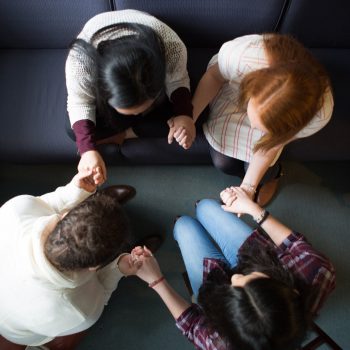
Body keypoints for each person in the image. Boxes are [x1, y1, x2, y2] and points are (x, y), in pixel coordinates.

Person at [133, 188, 335, 350]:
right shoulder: (317, 272)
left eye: (235, 287)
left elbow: (192, 326)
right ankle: (200, 211)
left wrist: (157, 281)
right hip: (259, 257)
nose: (235, 276)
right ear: (291, 292)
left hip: (214, 291)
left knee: (185, 227)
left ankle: (184, 224)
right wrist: (254, 209)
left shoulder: (221, 345)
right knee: (207, 207)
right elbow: (293, 244)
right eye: (255, 280)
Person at [0, 169, 151, 350]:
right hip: (23, 330)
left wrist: (76, 190)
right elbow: (102, 292)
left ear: (64, 217)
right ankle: (128, 256)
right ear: (96, 267)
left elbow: (47, 203)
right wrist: (118, 269)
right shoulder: (78, 312)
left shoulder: (15, 212)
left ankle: (96, 214)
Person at [191, 33, 334, 206]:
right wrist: (189, 116)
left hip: (276, 126)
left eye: (264, 127)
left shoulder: (318, 116)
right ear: (253, 87)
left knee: (264, 171)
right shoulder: (242, 56)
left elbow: (272, 145)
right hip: (233, 91)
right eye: (254, 118)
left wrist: (248, 188)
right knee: (223, 162)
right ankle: (251, 174)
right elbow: (214, 76)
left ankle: (272, 176)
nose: (252, 126)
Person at [65, 9, 196, 185]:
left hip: (155, 97)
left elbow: (178, 80)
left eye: (139, 110)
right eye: (130, 112)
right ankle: (132, 131)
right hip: (110, 106)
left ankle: (125, 134)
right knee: (71, 128)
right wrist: (87, 151)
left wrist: (184, 115)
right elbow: (80, 102)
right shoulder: (80, 63)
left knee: (198, 114)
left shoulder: (172, 46)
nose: (135, 115)